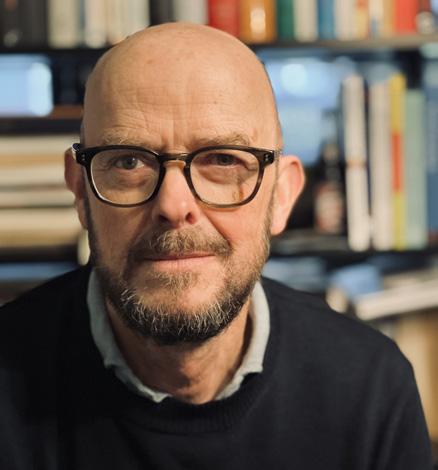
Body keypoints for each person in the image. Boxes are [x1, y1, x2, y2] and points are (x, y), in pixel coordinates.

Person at [0, 23, 433, 470]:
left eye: (223, 160)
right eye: (128, 162)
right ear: (80, 191)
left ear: (282, 196)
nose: (174, 205)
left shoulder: (369, 386)